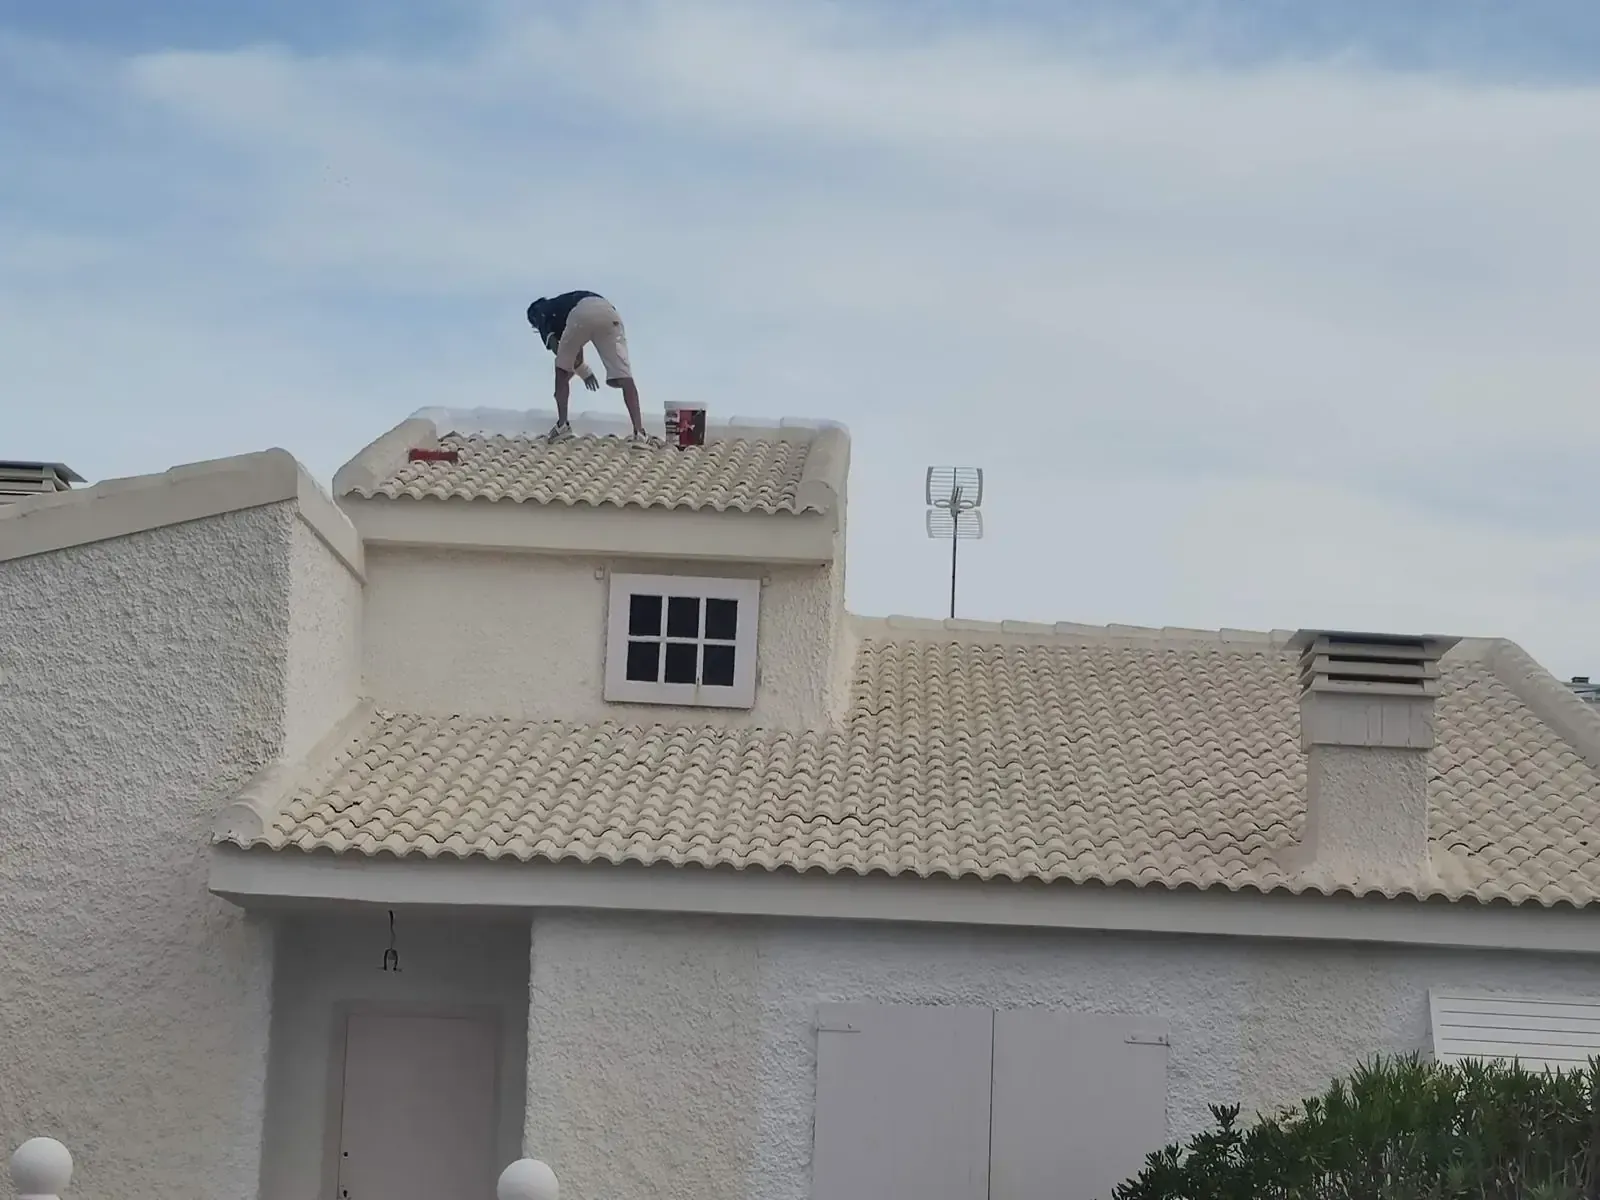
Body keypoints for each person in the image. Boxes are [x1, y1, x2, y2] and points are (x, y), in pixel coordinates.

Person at [525, 291, 648, 445]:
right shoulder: (564, 305)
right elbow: (576, 353)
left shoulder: (542, 312)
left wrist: (573, 369)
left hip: (582, 314)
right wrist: (585, 372)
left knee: (561, 369)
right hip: (609, 313)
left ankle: (562, 425)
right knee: (625, 376)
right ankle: (640, 432)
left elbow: (561, 352)